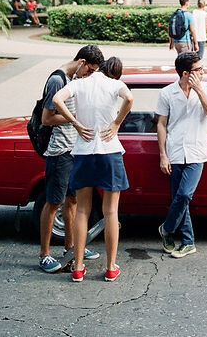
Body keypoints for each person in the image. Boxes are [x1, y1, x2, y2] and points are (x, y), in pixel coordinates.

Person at [52, 56, 134, 283]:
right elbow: (129, 98)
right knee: (110, 213)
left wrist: (75, 123)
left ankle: (78, 267)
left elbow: (58, 99)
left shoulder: (79, 83)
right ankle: (110, 267)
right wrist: (116, 123)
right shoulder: (114, 84)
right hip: (110, 151)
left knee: (81, 211)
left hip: (84, 152)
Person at [36, 45, 105, 274]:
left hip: (74, 149)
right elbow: (46, 119)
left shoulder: (74, 79)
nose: (90, 75)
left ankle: (72, 246)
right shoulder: (57, 80)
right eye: (91, 70)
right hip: (59, 152)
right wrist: (74, 119)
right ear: (82, 62)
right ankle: (44, 255)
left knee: (73, 201)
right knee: (53, 202)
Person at [156, 51, 207, 259]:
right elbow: (161, 124)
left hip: (197, 151)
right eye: (199, 70)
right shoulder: (167, 93)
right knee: (180, 199)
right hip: (174, 151)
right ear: (185, 73)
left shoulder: (206, 88)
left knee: (184, 195)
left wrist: (199, 89)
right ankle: (188, 242)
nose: (203, 71)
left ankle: (166, 229)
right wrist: (163, 155)